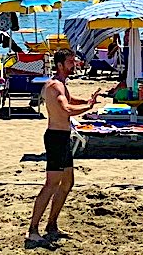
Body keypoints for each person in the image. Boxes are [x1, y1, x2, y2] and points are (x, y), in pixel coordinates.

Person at [28, 50, 96, 244]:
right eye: (69, 62)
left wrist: (86, 101)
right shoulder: (56, 86)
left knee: (67, 183)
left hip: (63, 137)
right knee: (51, 185)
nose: (73, 65)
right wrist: (87, 108)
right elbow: (65, 108)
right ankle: (33, 229)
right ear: (59, 64)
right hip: (56, 138)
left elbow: (69, 100)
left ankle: (52, 224)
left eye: (73, 61)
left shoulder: (61, 84)